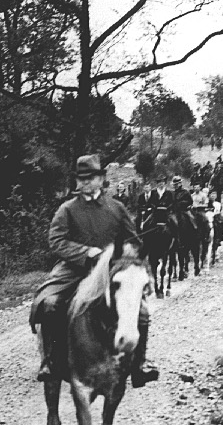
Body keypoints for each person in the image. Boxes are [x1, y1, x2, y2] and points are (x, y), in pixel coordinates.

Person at [30, 154, 159, 387]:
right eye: (82, 179)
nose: (86, 183)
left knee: (142, 310)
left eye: (91, 178)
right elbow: (56, 240)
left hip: (111, 271)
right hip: (74, 269)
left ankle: (139, 364)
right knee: (48, 304)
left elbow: (134, 243)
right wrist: (85, 252)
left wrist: (132, 264)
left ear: (101, 179)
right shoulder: (67, 209)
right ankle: (49, 360)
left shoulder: (116, 208)